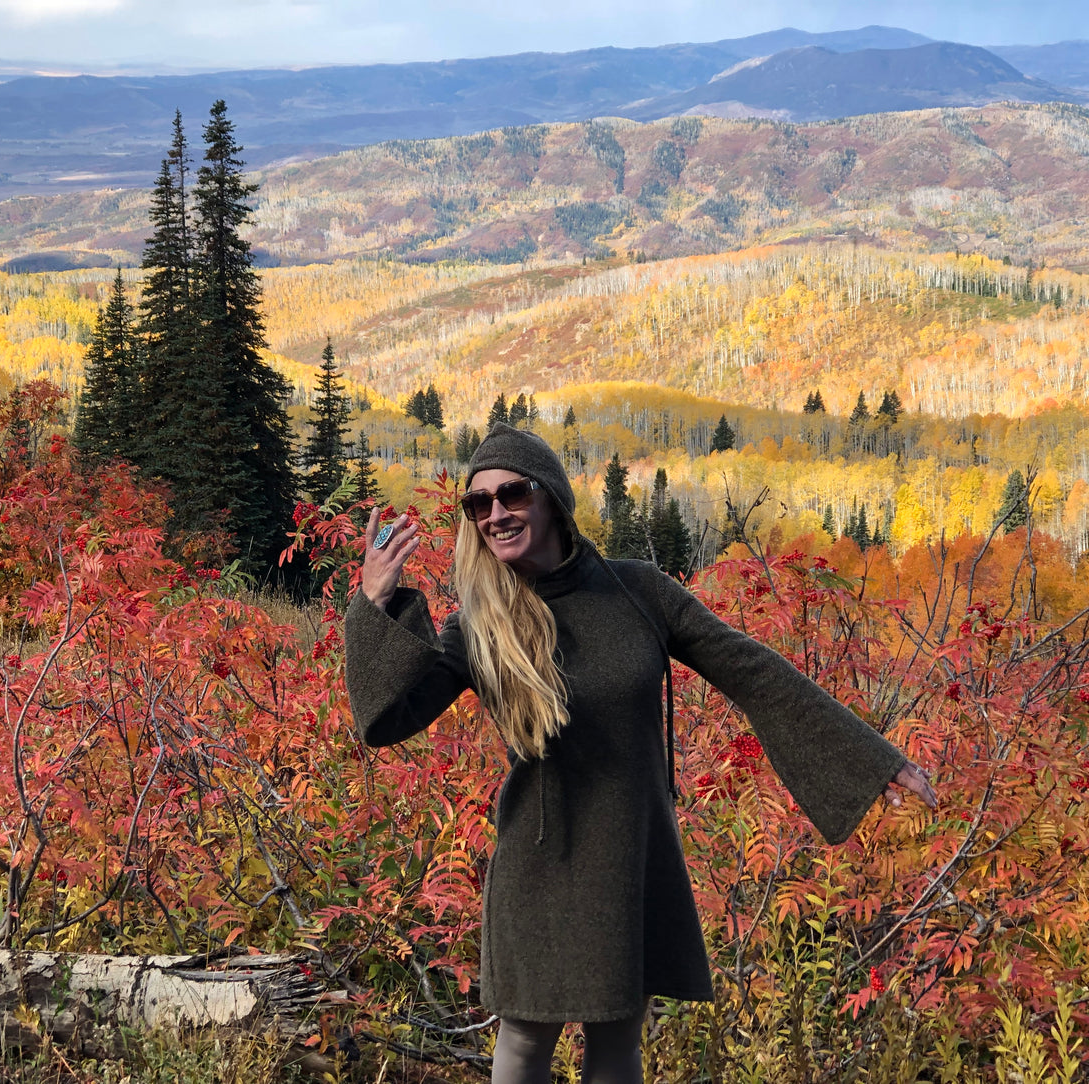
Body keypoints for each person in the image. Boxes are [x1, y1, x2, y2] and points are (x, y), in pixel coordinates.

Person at [344, 423, 936, 1084]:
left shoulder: (638, 593)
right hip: (538, 860)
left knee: (619, 1036)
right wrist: (376, 602)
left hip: (632, 849)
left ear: (551, 500)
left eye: (510, 494)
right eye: (477, 504)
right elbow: (385, 718)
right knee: (523, 1039)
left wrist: (868, 760)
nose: (494, 514)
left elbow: (752, 671)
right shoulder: (479, 623)